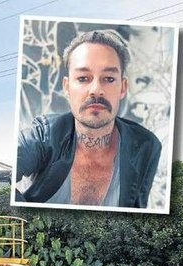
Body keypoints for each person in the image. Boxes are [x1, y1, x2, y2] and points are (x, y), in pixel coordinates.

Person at [16, 30, 161, 207]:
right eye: (83, 78)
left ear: (122, 88)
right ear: (67, 87)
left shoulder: (146, 146)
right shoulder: (42, 135)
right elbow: (1, 181)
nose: (95, 90)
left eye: (108, 78)